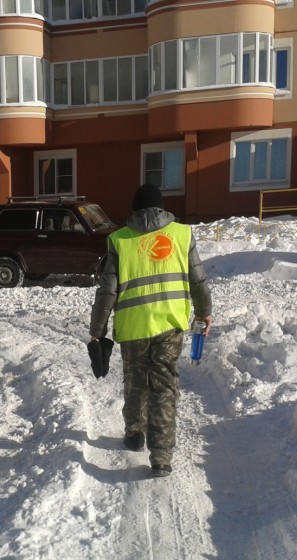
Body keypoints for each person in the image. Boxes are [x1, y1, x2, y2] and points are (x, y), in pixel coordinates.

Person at [89, 183, 212, 477]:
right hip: (169, 326)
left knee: (135, 381)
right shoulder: (182, 234)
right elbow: (197, 279)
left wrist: (97, 331)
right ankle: (161, 458)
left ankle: (134, 433)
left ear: (134, 210)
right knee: (164, 388)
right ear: (162, 208)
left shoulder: (120, 239)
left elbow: (107, 291)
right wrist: (204, 312)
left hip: (133, 327)